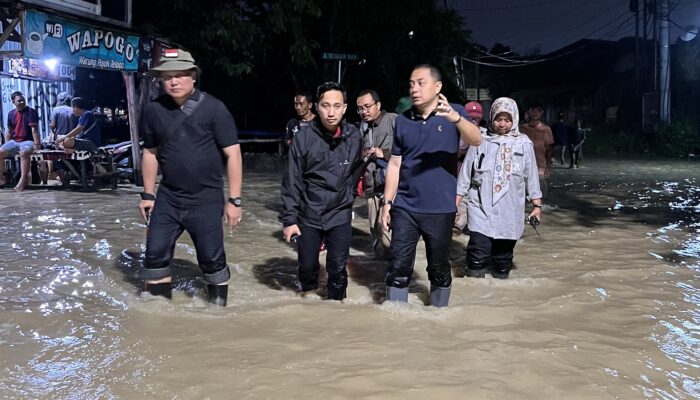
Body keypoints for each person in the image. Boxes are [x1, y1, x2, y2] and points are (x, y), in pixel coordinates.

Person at [138, 49, 243, 306]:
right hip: (169, 197)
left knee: (211, 258)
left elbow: (234, 155)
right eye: (168, 76)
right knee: (155, 255)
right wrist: (148, 195)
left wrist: (234, 201)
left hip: (205, 198)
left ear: (194, 77)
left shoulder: (215, 109)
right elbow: (150, 153)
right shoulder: (153, 110)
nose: (174, 82)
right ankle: (157, 315)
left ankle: (218, 316)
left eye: (181, 75)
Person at [381, 64, 482, 307]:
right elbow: (395, 164)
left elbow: (476, 139)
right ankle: (395, 320)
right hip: (405, 205)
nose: (414, 89)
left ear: (437, 87)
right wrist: (387, 203)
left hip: (440, 208)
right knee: (398, 264)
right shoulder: (403, 122)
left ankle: (438, 317)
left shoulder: (453, 113)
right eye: (411, 84)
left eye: (421, 83)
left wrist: (456, 118)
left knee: (438, 265)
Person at [279, 82, 362, 301]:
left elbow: (356, 169)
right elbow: (291, 180)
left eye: (337, 106)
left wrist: (349, 195)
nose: (331, 112)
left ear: (345, 108)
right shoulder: (303, 138)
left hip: (340, 213)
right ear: (316, 107)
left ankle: (336, 311)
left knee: (337, 269)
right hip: (309, 213)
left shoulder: (354, 137)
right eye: (326, 105)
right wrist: (289, 220)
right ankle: (309, 306)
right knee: (307, 268)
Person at [457, 97, 542, 279]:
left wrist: (537, 205)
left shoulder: (524, 144)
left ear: (514, 120)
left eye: (507, 119)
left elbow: (531, 176)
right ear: (492, 118)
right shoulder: (480, 140)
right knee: (477, 255)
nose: (502, 124)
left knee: (502, 261)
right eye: (498, 119)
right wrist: (456, 201)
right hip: (480, 206)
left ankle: (500, 291)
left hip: (510, 210)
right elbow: (466, 173)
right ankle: (476, 293)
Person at [356, 89, 396, 259]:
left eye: (367, 106)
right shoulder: (363, 126)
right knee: (374, 228)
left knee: (384, 226)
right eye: (360, 108)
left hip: (391, 185)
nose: (363, 112)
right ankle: (379, 273)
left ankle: (394, 268)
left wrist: (385, 153)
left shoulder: (394, 120)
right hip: (371, 184)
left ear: (378, 105)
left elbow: (411, 148)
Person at [0, 91, 40, 191]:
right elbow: (9, 131)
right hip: (15, 141)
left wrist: (37, 144)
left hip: (28, 141)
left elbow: (34, 130)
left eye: (23, 100)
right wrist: (7, 144)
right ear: (13, 101)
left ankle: (23, 180)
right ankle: (1, 179)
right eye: (19, 101)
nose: (22, 102)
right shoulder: (11, 113)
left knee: (24, 152)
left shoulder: (31, 112)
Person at [41, 92, 77, 184]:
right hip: (73, 141)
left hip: (60, 141)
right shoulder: (73, 110)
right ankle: (69, 179)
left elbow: (53, 125)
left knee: (54, 159)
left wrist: (51, 128)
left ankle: (53, 181)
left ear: (59, 100)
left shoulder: (56, 110)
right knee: (71, 161)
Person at [519, 103, 553, 194]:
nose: (535, 113)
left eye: (538, 110)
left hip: (540, 168)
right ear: (528, 112)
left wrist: (548, 167)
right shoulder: (521, 129)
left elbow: (549, 150)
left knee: (540, 196)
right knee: (524, 197)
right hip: (524, 168)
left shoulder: (546, 129)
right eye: (532, 110)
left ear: (541, 113)